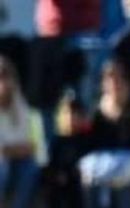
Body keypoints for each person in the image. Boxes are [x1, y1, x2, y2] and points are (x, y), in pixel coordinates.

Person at [77, 57, 130, 208]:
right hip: (103, 162)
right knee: (90, 171)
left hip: (128, 161)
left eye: (118, 78)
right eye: (109, 78)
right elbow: (90, 144)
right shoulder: (96, 111)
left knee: (125, 173)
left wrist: (121, 107)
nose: (114, 83)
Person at [28, 0, 96, 150]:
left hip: (83, 30)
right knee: (46, 104)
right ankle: (52, 161)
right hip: (50, 32)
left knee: (83, 105)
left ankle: (85, 156)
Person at [0, 55, 40, 208]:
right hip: (4, 164)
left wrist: (11, 150)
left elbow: (30, 145)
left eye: (6, 76)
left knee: (30, 168)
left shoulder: (20, 104)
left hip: (16, 160)